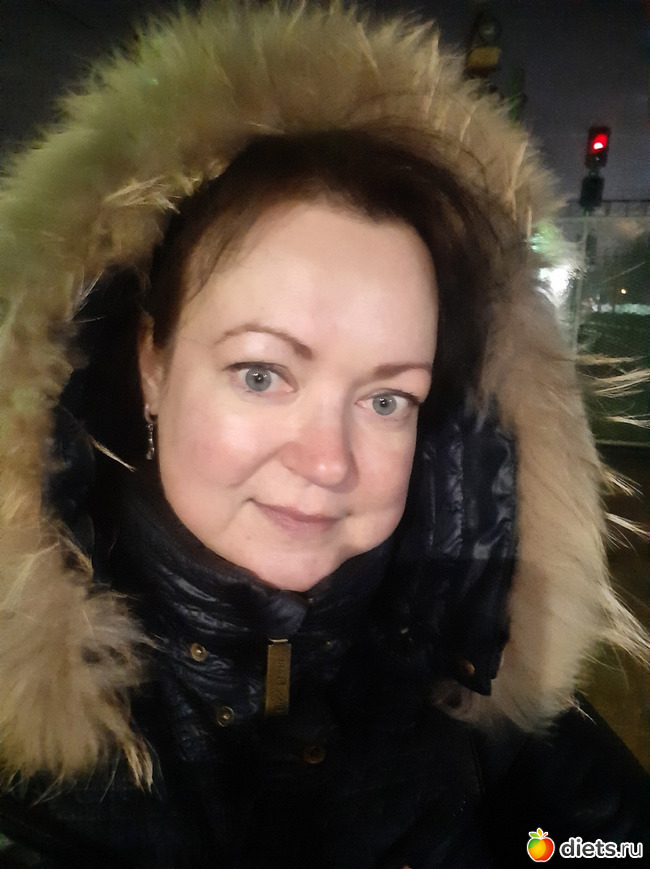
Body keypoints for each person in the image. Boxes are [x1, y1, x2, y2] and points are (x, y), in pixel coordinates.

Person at [0, 3, 647, 867]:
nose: (329, 462)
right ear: (151, 365)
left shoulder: (482, 695)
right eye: (262, 374)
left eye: (387, 399)